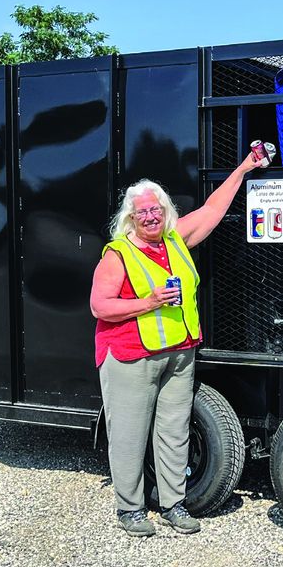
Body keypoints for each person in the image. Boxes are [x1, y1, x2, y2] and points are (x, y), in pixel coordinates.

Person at [90, 152, 262, 537]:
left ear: (165, 211)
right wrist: (147, 302)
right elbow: (99, 305)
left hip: (179, 355)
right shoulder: (119, 254)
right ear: (130, 218)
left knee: (174, 430)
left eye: (156, 210)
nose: (150, 217)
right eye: (142, 213)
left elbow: (213, 208)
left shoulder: (175, 239)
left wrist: (244, 169)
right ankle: (130, 509)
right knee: (129, 435)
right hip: (132, 357)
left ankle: (173, 505)